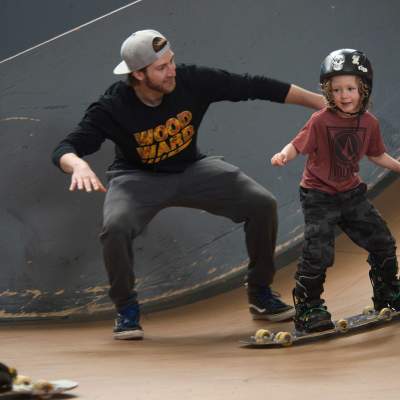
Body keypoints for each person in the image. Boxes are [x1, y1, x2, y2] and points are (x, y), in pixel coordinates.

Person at [52, 29, 325, 340]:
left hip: (193, 168)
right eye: (161, 68)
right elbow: (65, 147)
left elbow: (254, 85)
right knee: (115, 227)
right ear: (138, 74)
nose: (172, 71)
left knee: (261, 204)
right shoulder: (112, 106)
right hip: (137, 180)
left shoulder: (192, 80)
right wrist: (78, 164)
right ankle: (126, 310)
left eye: (172, 62)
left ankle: (260, 293)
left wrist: (320, 102)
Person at [271, 48, 400, 333]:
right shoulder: (320, 120)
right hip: (319, 196)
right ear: (328, 92)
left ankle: (388, 294)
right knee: (318, 252)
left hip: (352, 194)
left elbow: (376, 155)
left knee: (382, 242)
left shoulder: (370, 123)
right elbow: (296, 144)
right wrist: (284, 155)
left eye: (351, 88)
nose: (344, 95)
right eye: (337, 89)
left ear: (363, 89)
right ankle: (308, 308)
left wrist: (398, 167)